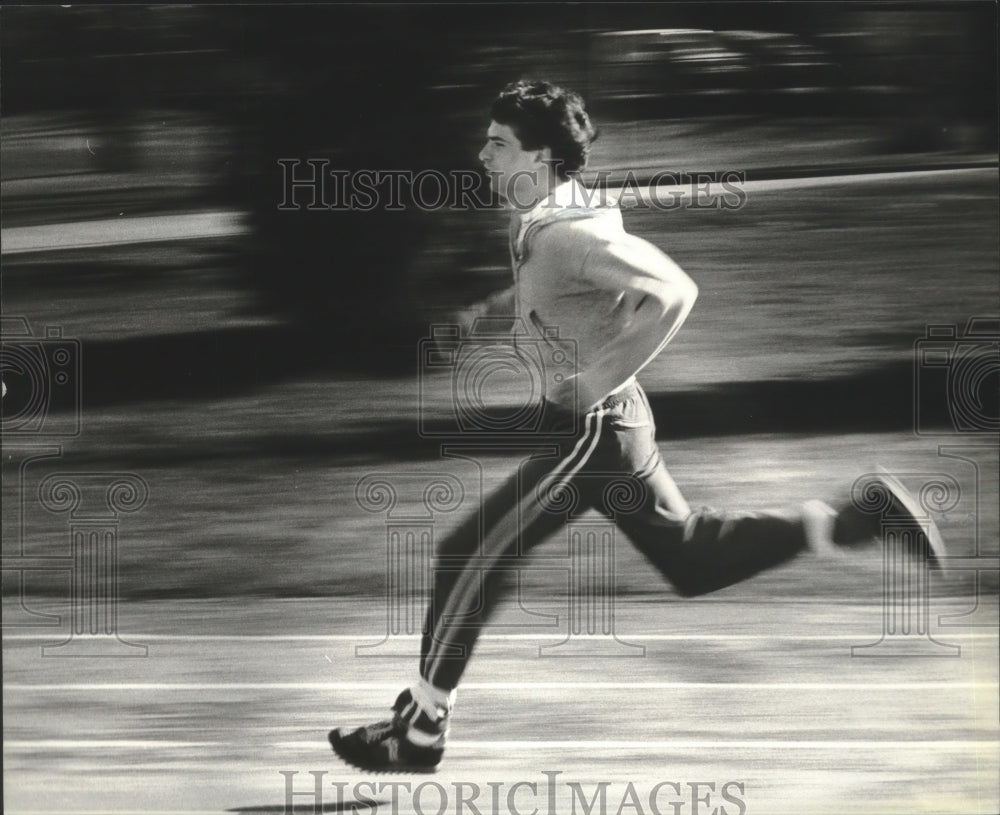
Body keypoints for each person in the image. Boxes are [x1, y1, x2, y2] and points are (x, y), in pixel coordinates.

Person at [329, 79, 945, 773]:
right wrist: (485, 315)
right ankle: (855, 517)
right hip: (616, 427)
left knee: (466, 555)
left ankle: (420, 726)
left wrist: (595, 380)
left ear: (542, 156)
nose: (483, 155)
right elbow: (550, 292)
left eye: (499, 144)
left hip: (592, 431)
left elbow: (677, 291)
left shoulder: (571, 232)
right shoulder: (539, 219)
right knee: (689, 559)